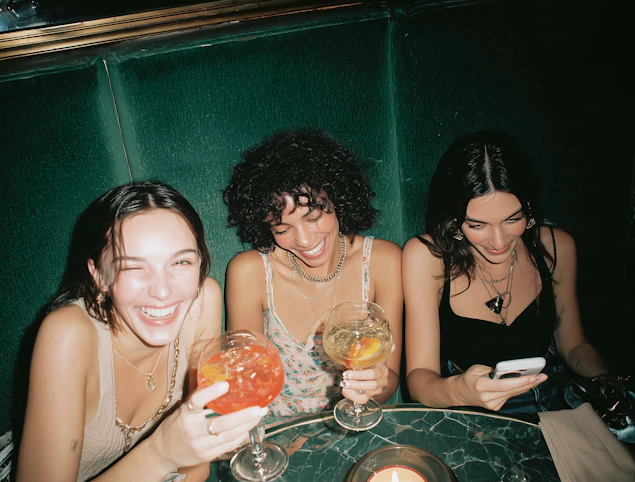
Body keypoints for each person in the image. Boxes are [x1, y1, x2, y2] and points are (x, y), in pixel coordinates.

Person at [17, 182, 266, 482]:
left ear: (200, 262)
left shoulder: (202, 303)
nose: (162, 291)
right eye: (133, 268)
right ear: (98, 275)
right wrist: (162, 452)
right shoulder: (66, 336)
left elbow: (195, 466)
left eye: (181, 262)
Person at [403, 129, 612, 414]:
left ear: (529, 208)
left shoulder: (556, 246)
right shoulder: (427, 256)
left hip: (551, 400)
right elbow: (419, 378)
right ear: (453, 219)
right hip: (468, 410)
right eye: (477, 225)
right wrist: (461, 390)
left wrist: (613, 380)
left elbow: (574, 346)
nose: (499, 242)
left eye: (513, 219)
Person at [222, 129, 403, 420]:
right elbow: (247, 386)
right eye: (283, 229)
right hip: (276, 433)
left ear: (337, 199)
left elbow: (389, 380)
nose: (304, 241)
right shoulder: (250, 273)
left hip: (357, 425)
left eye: (314, 217)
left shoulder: (383, 261)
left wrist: (372, 385)